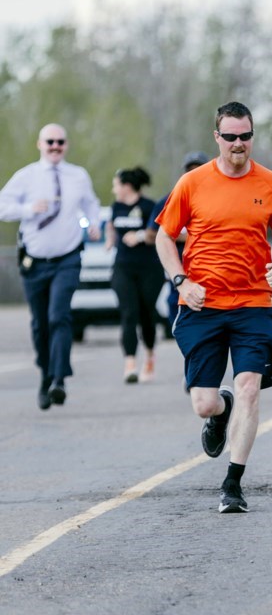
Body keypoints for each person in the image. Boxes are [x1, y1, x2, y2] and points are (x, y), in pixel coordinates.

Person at [154, 101, 272, 513]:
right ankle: (221, 412)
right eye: (231, 136)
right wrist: (182, 280)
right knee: (203, 402)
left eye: (245, 136)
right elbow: (166, 237)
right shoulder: (193, 183)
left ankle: (232, 483)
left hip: (252, 304)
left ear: (253, 136)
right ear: (217, 137)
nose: (239, 144)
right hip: (202, 305)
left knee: (249, 387)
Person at [0, 123, 101, 411]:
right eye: (50, 142)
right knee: (40, 323)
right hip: (34, 260)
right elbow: (2, 205)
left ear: (66, 145)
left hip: (68, 257)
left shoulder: (78, 176)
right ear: (40, 145)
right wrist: (28, 208)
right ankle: (46, 375)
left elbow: (91, 205)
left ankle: (60, 379)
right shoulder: (26, 177)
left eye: (60, 142)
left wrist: (93, 224)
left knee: (59, 316)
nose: (55, 147)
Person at [105, 167, 165, 384]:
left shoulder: (149, 207)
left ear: (127, 186)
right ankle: (130, 362)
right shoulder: (116, 207)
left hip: (149, 268)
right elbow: (111, 226)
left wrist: (139, 236)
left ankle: (149, 355)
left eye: (116, 185)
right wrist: (109, 240)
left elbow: (161, 233)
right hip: (123, 267)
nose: (114, 189)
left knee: (146, 313)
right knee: (128, 312)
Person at [145, 151, 210, 329]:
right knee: (175, 303)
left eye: (199, 169)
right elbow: (152, 234)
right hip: (178, 267)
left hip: (208, 269)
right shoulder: (170, 199)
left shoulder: (215, 200)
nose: (194, 174)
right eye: (190, 170)